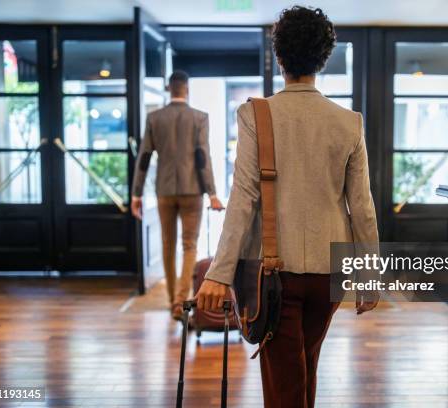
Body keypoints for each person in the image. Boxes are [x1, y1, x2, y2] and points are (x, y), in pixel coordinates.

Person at [195, 6, 379, 407]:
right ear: (323, 58)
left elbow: (243, 199)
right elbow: (362, 207)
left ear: (279, 57)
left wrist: (219, 273)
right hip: (331, 272)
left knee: (285, 383)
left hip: (274, 273)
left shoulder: (255, 115)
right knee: (303, 367)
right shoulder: (349, 123)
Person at [131, 70, 224, 321]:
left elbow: (144, 158)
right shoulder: (199, 118)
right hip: (193, 191)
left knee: (167, 244)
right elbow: (203, 157)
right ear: (187, 89)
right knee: (189, 245)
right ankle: (180, 301)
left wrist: (136, 194)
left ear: (169, 89)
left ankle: (173, 299)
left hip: (164, 191)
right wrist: (213, 193)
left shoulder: (155, 118)